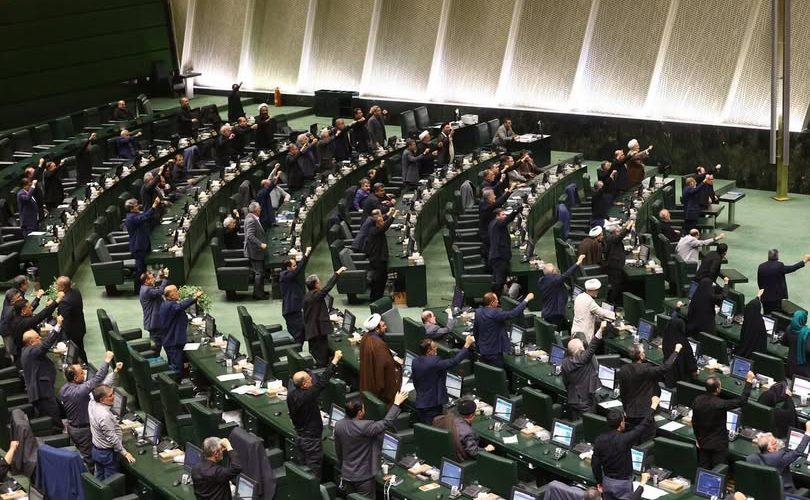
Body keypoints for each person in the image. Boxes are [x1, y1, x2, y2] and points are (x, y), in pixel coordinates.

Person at [334, 391, 409, 499]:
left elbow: (339, 450)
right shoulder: (365, 426)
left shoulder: (339, 425)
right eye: (363, 408)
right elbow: (386, 422)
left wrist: (343, 468)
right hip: (363, 478)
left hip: (347, 474)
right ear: (360, 413)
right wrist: (396, 404)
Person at [60, 351, 121, 469]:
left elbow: (100, 386)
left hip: (73, 427)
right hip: (83, 432)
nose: (84, 373)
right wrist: (107, 360)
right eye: (81, 373)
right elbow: (98, 378)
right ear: (75, 378)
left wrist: (115, 372)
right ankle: (93, 478)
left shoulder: (64, 389)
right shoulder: (80, 391)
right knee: (90, 459)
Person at [287, 350, 342, 480]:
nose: (311, 379)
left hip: (300, 436)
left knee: (303, 469)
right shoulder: (307, 396)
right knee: (313, 472)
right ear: (304, 384)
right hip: (311, 441)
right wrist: (335, 360)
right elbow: (323, 382)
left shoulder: (291, 395)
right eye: (308, 379)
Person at [592, 396, 661, 499]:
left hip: (607, 481)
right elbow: (644, 425)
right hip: (623, 485)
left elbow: (595, 464)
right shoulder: (625, 439)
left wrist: (599, 481)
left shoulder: (599, 440)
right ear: (621, 423)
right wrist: (653, 406)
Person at [618, 343, 681, 441]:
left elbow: (623, 393)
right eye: (643, 352)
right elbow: (666, 367)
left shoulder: (623, 370)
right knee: (647, 441)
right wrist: (676, 351)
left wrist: (626, 409)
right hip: (645, 414)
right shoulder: (646, 369)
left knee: (633, 440)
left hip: (630, 413)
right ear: (641, 355)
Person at [692, 371, 755, 469]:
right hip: (718, 445)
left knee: (703, 469)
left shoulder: (697, 400)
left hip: (703, 442)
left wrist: (698, 438)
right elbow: (742, 401)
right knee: (719, 470)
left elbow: (694, 422)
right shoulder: (720, 404)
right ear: (717, 389)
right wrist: (749, 380)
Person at [412, 336, 474, 424]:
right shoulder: (434, 363)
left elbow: (415, 381)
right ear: (429, 351)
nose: (436, 348)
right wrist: (467, 345)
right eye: (434, 347)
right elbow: (454, 361)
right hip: (432, 405)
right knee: (434, 427)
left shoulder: (415, 361)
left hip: (421, 401)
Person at [21, 315, 64, 430]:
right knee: (54, 420)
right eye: (37, 338)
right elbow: (45, 346)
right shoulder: (31, 351)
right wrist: (58, 326)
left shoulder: (27, 350)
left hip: (43, 391)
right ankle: (59, 437)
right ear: (31, 342)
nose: (40, 338)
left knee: (57, 411)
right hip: (42, 393)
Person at [472, 292, 533, 368]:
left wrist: (478, 346)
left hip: (483, 350)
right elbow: (513, 313)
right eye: (496, 300)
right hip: (494, 353)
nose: (498, 301)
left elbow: (475, 332)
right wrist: (526, 300)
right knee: (497, 372)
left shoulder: (478, 312)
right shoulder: (496, 313)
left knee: (487, 371)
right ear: (492, 302)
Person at [748, 423, 810, 494]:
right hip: (785, 494)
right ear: (770, 448)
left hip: (767, 493)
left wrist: (760, 440)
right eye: (775, 442)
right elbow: (798, 452)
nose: (777, 443)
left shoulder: (753, 458)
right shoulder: (779, 458)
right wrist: (808, 432)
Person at [89, 384, 135, 479]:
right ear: (102, 400)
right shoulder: (105, 416)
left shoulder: (92, 403)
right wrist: (125, 453)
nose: (113, 397)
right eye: (110, 396)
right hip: (107, 454)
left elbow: (94, 392)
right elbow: (112, 438)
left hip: (96, 450)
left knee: (99, 478)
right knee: (111, 482)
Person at [302, 267, 345, 366]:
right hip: (317, 334)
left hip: (312, 331)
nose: (320, 283)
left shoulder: (308, 296)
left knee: (318, 355)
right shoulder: (315, 296)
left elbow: (314, 313)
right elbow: (328, 287)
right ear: (315, 284)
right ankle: (322, 371)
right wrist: (338, 273)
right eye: (318, 282)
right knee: (321, 360)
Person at [562, 323, 605, 419]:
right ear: (580, 349)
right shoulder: (583, 359)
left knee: (576, 423)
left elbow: (565, 382)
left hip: (572, 399)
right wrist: (601, 329)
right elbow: (593, 345)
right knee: (588, 424)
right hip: (584, 401)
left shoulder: (564, 363)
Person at [359, 314, 402, 408]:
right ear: (377, 329)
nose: (386, 327)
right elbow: (387, 365)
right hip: (378, 387)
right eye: (383, 326)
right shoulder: (378, 345)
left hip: (368, 379)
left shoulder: (365, 337)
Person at [159, 285, 202, 378]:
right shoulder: (170, 305)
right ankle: (176, 384)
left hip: (169, 340)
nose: (178, 292)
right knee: (176, 369)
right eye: (176, 291)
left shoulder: (166, 303)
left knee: (175, 365)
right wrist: (194, 297)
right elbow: (180, 306)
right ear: (171, 295)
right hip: (172, 342)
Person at [538, 255, 585, 331]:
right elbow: (566, 274)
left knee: (568, 327)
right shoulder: (553, 280)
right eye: (555, 268)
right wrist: (578, 263)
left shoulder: (543, 280)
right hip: (554, 314)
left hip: (548, 312)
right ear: (553, 271)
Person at [757, 250, 810, 314]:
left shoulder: (761, 267)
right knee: (777, 316)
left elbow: (759, 282)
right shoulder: (779, 266)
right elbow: (792, 268)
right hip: (777, 300)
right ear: (777, 256)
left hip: (765, 299)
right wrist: (805, 260)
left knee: (767, 315)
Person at [9, 296, 59, 360]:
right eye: (29, 307)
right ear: (23, 311)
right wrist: (56, 301)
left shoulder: (17, 317)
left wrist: (38, 299)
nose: (32, 308)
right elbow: (41, 316)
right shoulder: (24, 322)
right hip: (24, 355)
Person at [125, 196, 160, 286]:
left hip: (143, 244)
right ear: (131, 209)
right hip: (138, 247)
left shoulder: (135, 214)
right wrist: (154, 205)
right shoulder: (131, 218)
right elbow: (145, 217)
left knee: (143, 269)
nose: (138, 206)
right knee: (140, 270)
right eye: (136, 206)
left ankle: (144, 286)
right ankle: (138, 289)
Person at [280, 247, 311, 345]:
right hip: (291, 312)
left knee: (301, 333)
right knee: (298, 335)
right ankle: (296, 352)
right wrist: (306, 254)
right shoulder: (286, 276)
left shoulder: (287, 275)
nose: (296, 267)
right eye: (294, 266)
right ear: (288, 268)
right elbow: (298, 270)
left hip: (293, 310)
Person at [662, 302, 698, 387]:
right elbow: (691, 367)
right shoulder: (683, 343)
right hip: (680, 380)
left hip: (668, 377)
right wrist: (695, 372)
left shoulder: (666, 339)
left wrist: (677, 309)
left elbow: (671, 321)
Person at [365, 207, 397, 301]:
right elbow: (384, 226)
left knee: (383, 278)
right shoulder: (374, 231)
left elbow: (383, 223)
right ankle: (374, 298)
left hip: (380, 258)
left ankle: (379, 296)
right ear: (378, 223)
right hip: (377, 259)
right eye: (381, 222)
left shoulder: (377, 228)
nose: (383, 222)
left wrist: (389, 214)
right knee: (378, 280)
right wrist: (393, 216)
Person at [488, 206, 521, 293]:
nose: (505, 216)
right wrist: (516, 211)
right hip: (499, 258)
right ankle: (496, 298)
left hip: (497, 257)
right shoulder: (497, 223)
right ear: (497, 216)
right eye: (503, 215)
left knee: (499, 280)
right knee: (499, 282)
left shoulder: (493, 223)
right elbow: (507, 220)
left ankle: (496, 297)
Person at [571, 279, 616, 343]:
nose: (597, 292)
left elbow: (586, 312)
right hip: (584, 335)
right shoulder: (590, 301)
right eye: (596, 290)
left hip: (575, 332)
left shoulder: (579, 296)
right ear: (593, 291)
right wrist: (616, 315)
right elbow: (602, 313)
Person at [56, 276, 87, 364]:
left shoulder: (64, 301)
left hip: (72, 333)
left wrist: (65, 337)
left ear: (62, 287)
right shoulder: (76, 291)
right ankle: (85, 366)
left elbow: (65, 320)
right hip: (80, 327)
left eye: (57, 284)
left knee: (74, 354)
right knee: (81, 350)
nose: (55, 286)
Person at [603, 220, 633, 305]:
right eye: (618, 231)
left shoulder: (611, 238)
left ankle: (614, 302)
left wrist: (627, 226)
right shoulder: (612, 238)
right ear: (614, 232)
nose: (619, 232)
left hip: (614, 265)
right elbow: (621, 235)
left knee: (617, 285)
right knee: (615, 287)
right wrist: (629, 224)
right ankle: (612, 303)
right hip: (614, 266)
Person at [139, 269, 168, 355]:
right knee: (156, 346)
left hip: (154, 322)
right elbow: (160, 291)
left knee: (157, 344)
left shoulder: (145, 287)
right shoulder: (147, 290)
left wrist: (160, 276)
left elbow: (156, 285)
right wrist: (165, 277)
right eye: (152, 278)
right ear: (146, 280)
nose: (154, 279)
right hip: (154, 323)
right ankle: (154, 360)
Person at [243, 201, 268, 300]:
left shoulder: (252, 217)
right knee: (259, 273)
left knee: (260, 272)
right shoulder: (251, 220)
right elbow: (250, 236)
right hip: (255, 251)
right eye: (259, 208)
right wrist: (260, 244)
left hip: (256, 250)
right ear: (255, 210)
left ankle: (261, 291)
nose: (260, 209)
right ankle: (257, 294)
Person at [478, 187, 510, 261]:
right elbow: (498, 203)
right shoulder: (486, 207)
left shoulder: (485, 204)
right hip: (487, 235)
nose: (495, 196)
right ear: (489, 198)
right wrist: (509, 191)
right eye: (493, 195)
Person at [735, 290, 767, 358]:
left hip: (742, 354)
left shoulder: (747, 320)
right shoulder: (760, 322)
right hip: (755, 358)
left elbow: (752, 305)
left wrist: (758, 296)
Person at [783, 310, 810, 378]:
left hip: (790, 366)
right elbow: (808, 350)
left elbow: (783, 342)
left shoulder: (789, 328)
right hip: (804, 369)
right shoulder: (807, 333)